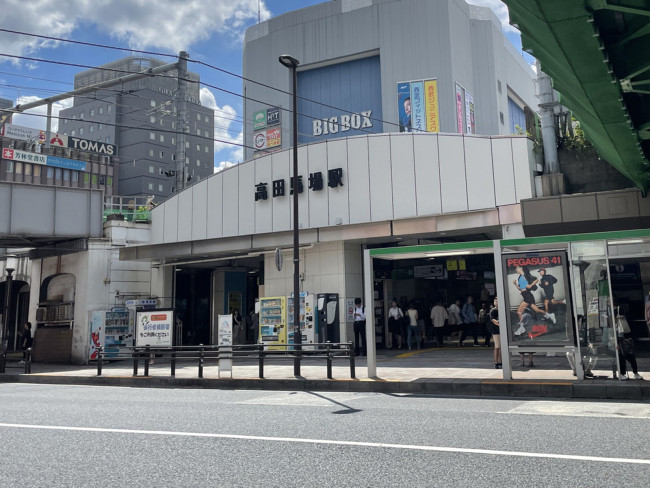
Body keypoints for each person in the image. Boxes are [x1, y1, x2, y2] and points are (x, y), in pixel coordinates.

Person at [512, 265, 555, 335]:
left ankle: (522, 328)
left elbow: (537, 279)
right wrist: (515, 284)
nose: (516, 269)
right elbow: (521, 289)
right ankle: (550, 315)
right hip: (526, 295)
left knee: (519, 311)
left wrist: (531, 285)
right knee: (537, 310)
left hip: (528, 296)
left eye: (517, 268)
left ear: (521, 268)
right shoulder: (519, 277)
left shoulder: (526, 275)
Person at [489, 298, 502, 369]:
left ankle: (500, 361)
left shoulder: (502, 309)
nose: (496, 302)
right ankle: (496, 362)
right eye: (495, 301)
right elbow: (493, 320)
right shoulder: (493, 310)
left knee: (502, 347)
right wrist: (501, 325)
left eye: (497, 301)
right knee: (497, 347)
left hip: (502, 331)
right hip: (496, 331)